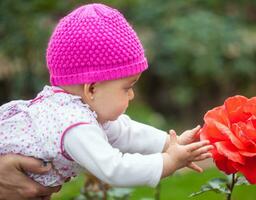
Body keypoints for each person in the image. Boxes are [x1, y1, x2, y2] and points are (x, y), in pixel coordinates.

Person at [0, 3, 213, 190]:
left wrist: (169, 143)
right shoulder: (73, 124)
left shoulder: (74, 106)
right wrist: (169, 161)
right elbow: (114, 169)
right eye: (127, 87)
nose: (132, 95)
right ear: (91, 89)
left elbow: (125, 132)